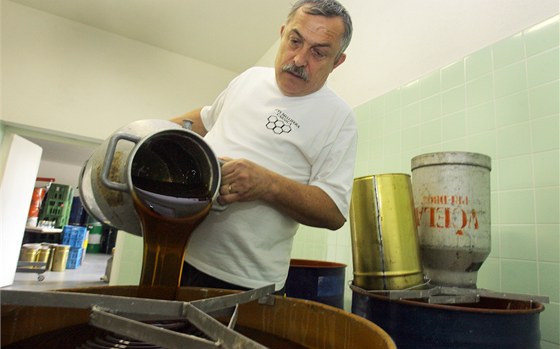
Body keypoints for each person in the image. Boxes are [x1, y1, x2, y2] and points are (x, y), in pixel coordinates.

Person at [172, 0, 356, 293]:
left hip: (245, 282)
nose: (298, 59)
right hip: (178, 249)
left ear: (337, 62)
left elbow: (334, 212)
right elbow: (206, 119)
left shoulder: (339, 118)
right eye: (295, 41)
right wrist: (147, 133)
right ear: (283, 33)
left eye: (318, 53)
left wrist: (266, 184)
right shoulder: (250, 78)